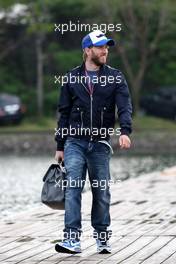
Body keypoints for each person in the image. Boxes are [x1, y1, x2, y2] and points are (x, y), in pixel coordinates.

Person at [54, 30, 132, 254]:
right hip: (74, 143)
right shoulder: (71, 78)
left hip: (100, 144)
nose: (105, 50)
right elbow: (64, 113)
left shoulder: (115, 77)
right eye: (99, 47)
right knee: (73, 189)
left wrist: (124, 131)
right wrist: (60, 145)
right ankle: (72, 240)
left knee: (101, 192)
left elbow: (125, 107)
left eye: (106, 46)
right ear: (87, 50)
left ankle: (102, 239)